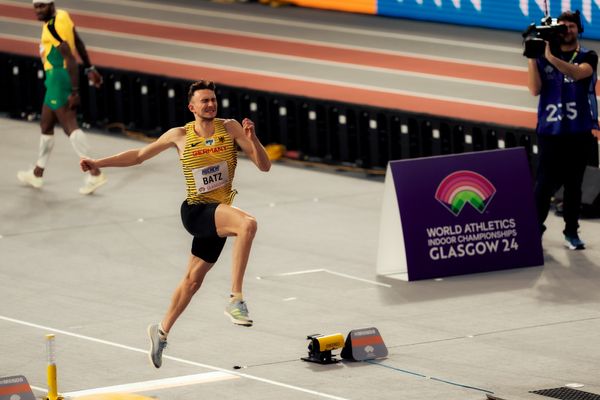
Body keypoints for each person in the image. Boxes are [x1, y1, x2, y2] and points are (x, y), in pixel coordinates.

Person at [80, 80, 272, 368]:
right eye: (204, 101)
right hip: (196, 211)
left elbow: (264, 165)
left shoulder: (230, 127)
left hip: (218, 214)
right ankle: (236, 298)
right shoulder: (179, 135)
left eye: (213, 100)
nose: (210, 104)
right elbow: (138, 156)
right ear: (191, 107)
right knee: (248, 224)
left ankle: (161, 332)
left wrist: (252, 138)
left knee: (193, 281)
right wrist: (99, 163)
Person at [18, 0, 106, 195]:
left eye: (42, 6)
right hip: (55, 79)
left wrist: (75, 91)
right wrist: (90, 67)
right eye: (35, 7)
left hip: (60, 77)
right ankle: (37, 173)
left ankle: (95, 172)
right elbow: (79, 43)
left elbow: (71, 60)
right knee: (46, 125)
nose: (37, 11)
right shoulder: (64, 16)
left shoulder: (52, 29)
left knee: (69, 126)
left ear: (51, 5)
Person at [526, 10, 598, 250]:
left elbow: (577, 73)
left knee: (574, 185)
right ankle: (535, 229)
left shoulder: (589, 55)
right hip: (550, 132)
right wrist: (532, 55)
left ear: (579, 30)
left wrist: (549, 56)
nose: (567, 30)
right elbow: (534, 89)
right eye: (563, 26)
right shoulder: (542, 57)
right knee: (543, 185)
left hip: (578, 132)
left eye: (572, 26)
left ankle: (571, 232)